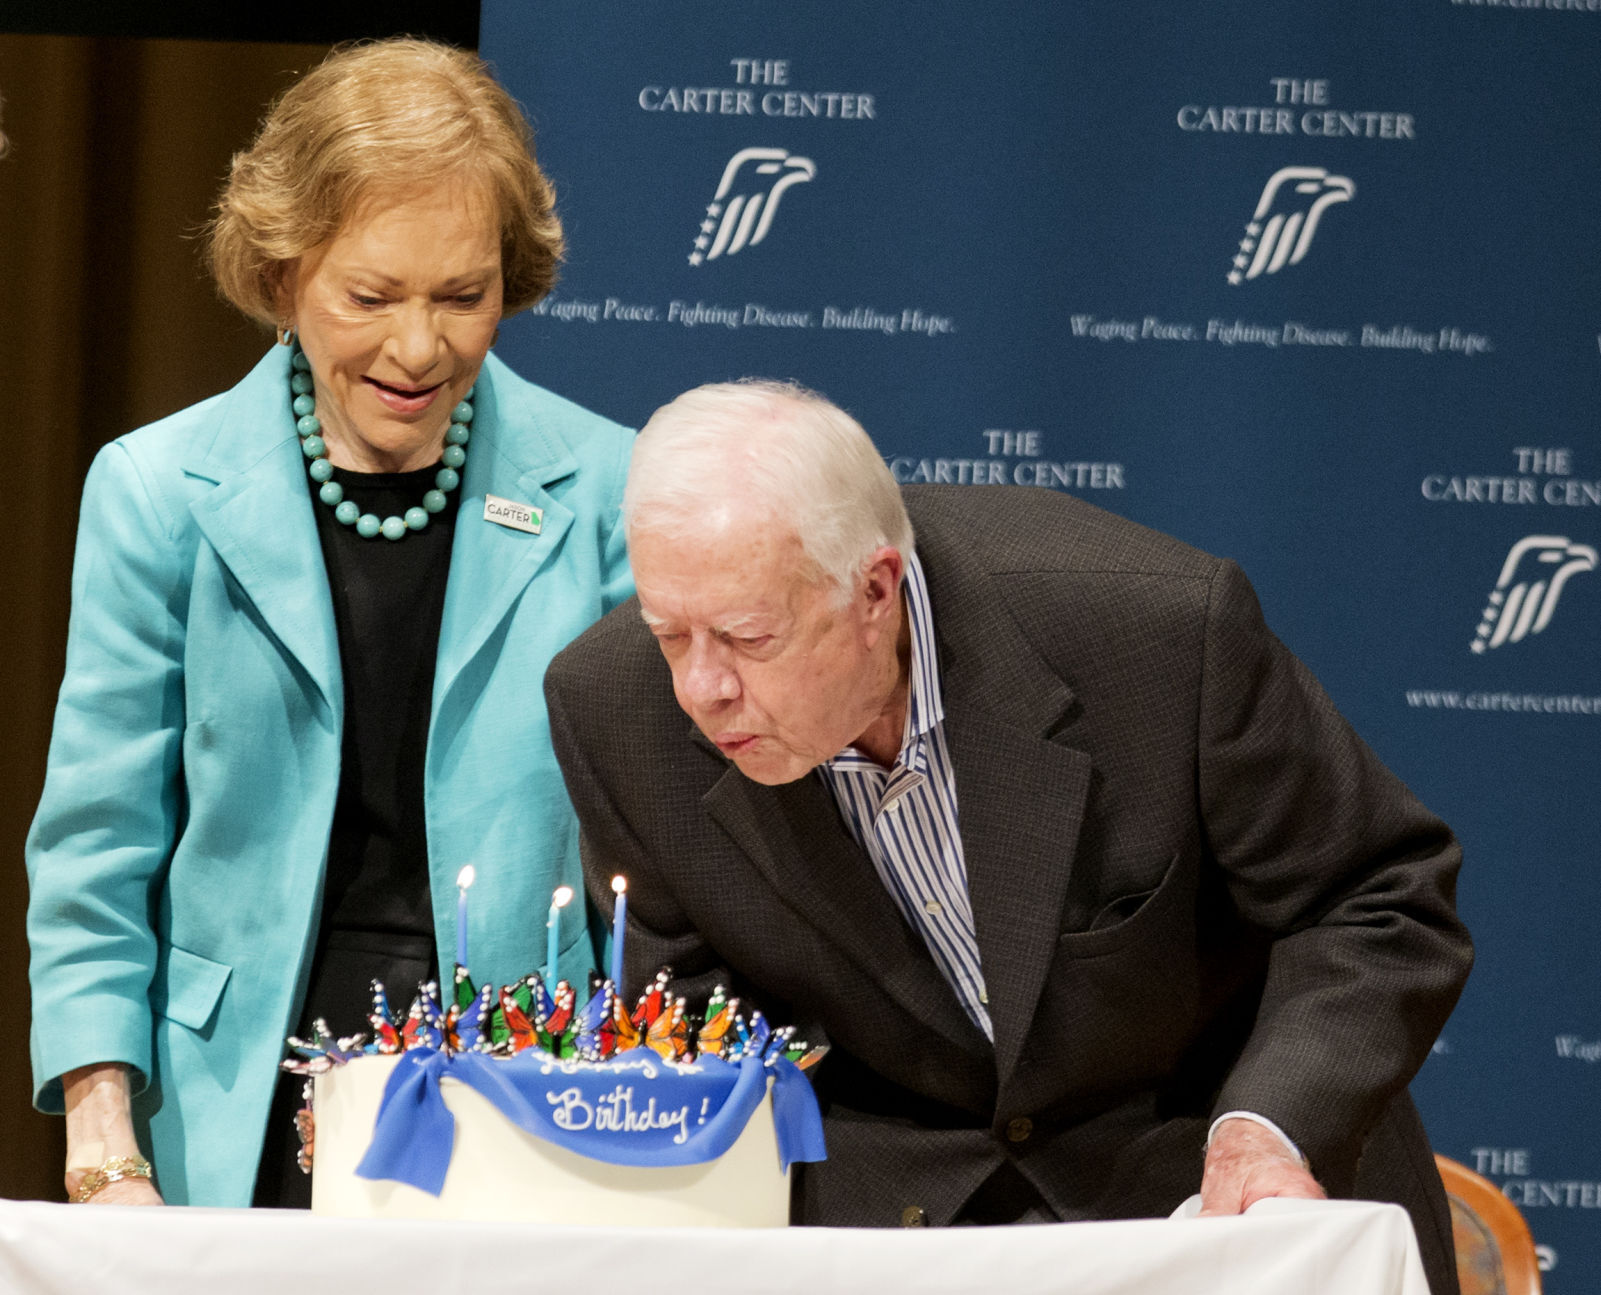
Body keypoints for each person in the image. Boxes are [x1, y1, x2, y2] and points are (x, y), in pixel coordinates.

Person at [545, 380, 1472, 1293]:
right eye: (670, 633)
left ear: (875, 590)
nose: (700, 690)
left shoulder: (1157, 633)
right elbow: (704, 1033)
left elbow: (1377, 898)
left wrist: (1267, 1128)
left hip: (1205, 1197)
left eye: (747, 636)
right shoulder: (613, 711)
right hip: (891, 1232)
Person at [26, 39, 633, 1209]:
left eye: (463, 296)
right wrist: (106, 1149)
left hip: (525, 1093)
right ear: (281, 267)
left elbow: (660, 861)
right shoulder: (157, 491)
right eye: (370, 296)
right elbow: (97, 852)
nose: (419, 349)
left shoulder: (607, 487)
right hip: (234, 1095)